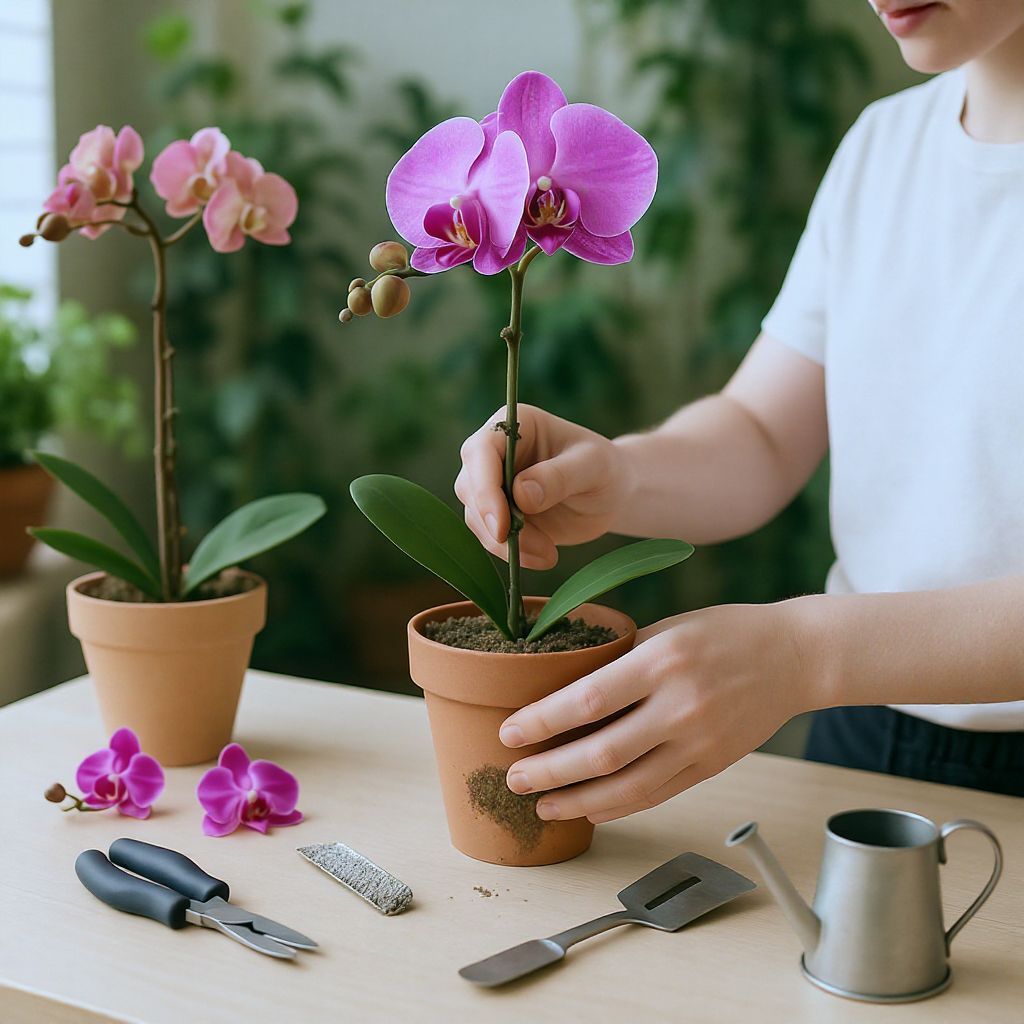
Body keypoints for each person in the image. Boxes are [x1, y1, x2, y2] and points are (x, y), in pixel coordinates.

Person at [455, 0, 1024, 821]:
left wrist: (803, 656)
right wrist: (617, 475)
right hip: (861, 741)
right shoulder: (884, 147)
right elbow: (760, 432)